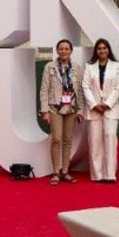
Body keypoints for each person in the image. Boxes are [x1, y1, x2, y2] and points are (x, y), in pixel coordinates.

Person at [39, 38, 84, 185]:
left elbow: (79, 91)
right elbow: (44, 90)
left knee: (67, 140)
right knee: (57, 139)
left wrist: (80, 110)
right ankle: (56, 172)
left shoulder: (76, 68)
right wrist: (45, 111)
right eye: (61, 49)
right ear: (57, 51)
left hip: (71, 108)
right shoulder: (49, 67)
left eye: (67, 49)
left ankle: (65, 171)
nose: (64, 51)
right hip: (55, 108)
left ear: (71, 51)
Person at [82, 38, 119, 183]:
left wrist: (107, 104)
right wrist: (94, 105)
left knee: (110, 138)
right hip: (94, 110)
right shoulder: (89, 66)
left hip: (110, 110)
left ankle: (110, 174)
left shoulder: (117, 66)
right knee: (95, 142)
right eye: (99, 48)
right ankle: (97, 175)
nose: (102, 51)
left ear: (108, 50)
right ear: (96, 51)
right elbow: (85, 87)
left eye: (104, 48)